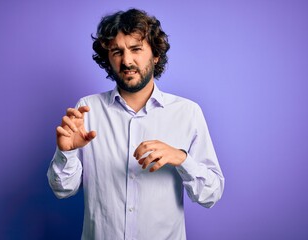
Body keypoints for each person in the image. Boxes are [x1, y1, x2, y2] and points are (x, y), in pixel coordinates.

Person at [47, 8, 224, 240]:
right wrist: (66, 153)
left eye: (136, 49)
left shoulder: (187, 113)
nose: (127, 60)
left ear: (155, 55)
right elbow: (63, 189)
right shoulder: (87, 110)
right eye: (117, 52)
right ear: (107, 58)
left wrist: (182, 158)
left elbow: (210, 195)